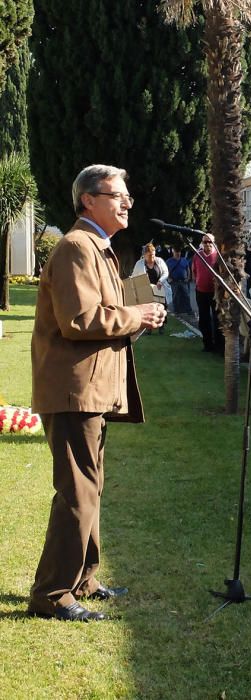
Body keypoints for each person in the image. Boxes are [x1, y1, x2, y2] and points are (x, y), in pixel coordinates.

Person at [28, 164, 166, 622]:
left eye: (127, 196)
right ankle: (51, 593)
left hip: (91, 389)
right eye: (117, 195)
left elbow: (110, 315)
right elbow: (80, 321)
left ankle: (83, 577)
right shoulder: (75, 247)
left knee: (91, 484)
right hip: (74, 390)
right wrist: (136, 316)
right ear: (88, 199)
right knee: (77, 489)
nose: (127, 202)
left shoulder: (100, 249)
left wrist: (140, 316)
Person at [192, 232, 220, 352]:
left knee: (217, 318)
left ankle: (219, 345)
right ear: (202, 243)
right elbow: (194, 271)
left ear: (214, 243)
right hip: (201, 292)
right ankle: (207, 344)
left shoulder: (218, 256)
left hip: (215, 293)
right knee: (204, 319)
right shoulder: (197, 255)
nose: (207, 244)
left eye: (210, 242)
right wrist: (197, 282)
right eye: (205, 242)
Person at [132, 243, 169, 333]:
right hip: (146, 290)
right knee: (148, 309)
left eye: (153, 254)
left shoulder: (159, 261)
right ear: (144, 255)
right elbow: (134, 276)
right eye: (149, 255)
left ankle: (161, 326)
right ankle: (149, 328)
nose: (152, 257)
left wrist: (160, 281)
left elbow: (166, 272)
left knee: (161, 307)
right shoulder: (139, 264)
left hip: (159, 289)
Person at [166, 246, 192, 314]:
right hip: (174, 281)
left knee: (186, 295)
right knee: (175, 296)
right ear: (173, 252)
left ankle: (188, 310)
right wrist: (169, 278)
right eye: (176, 252)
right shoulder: (169, 261)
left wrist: (188, 277)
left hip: (184, 281)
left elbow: (188, 269)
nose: (178, 253)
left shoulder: (184, 260)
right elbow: (166, 270)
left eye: (179, 252)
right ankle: (176, 310)